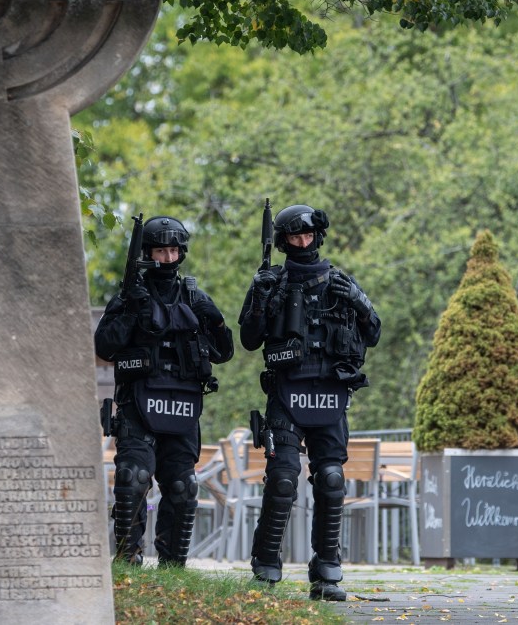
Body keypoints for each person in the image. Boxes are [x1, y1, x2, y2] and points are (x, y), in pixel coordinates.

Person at [238, 204, 381, 601]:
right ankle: (266, 568)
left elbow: (374, 333)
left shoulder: (341, 281)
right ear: (283, 242)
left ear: (317, 237)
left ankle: (326, 572)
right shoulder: (271, 281)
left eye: (307, 236)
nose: (302, 242)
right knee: (283, 479)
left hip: (331, 395)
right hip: (286, 395)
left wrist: (358, 300)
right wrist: (262, 297)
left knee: (332, 480)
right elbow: (248, 340)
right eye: (294, 237)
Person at [95, 215, 234, 567]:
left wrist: (213, 318)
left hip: (183, 408)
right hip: (137, 407)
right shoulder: (130, 296)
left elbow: (225, 352)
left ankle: (173, 570)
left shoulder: (193, 296)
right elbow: (104, 348)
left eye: (173, 250)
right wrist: (131, 310)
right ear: (147, 253)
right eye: (161, 250)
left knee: (184, 487)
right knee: (133, 479)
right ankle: (128, 561)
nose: (168, 258)